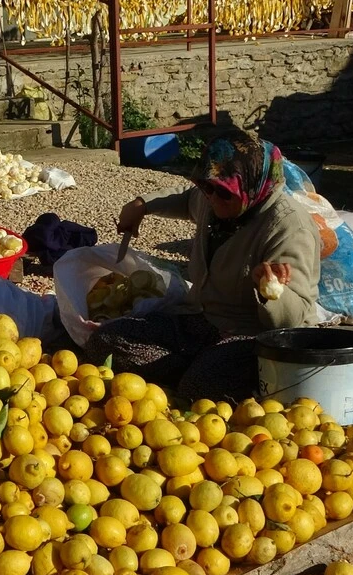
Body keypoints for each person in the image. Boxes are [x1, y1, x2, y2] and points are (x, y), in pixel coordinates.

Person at [87, 130, 322, 401]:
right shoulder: (214, 199)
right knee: (103, 344)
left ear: (253, 186)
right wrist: (142, 205)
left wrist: (271, 291)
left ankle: (201, 375)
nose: (212, 197)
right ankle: (199, 370)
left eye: (223, 192)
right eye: (206, 186)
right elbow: (188, 199)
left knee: (201, 388)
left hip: (253, 336)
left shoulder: (288, 227)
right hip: (202, 322)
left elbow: (291, 322)